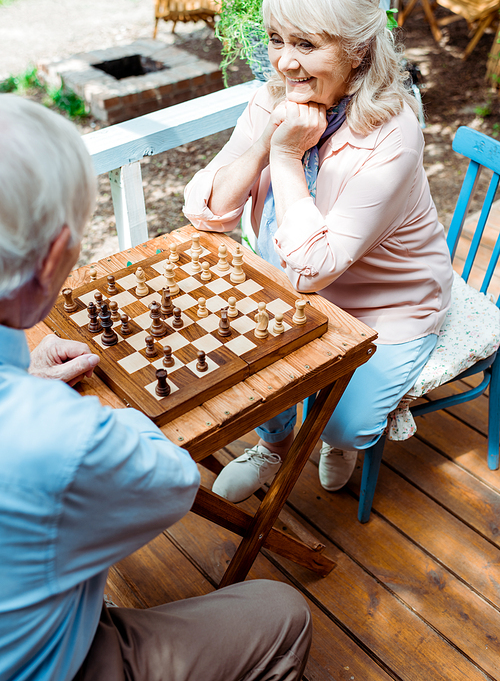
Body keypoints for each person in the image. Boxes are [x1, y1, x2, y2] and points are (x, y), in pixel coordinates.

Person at [0, 94, 312, 681]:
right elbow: (171, 482)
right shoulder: (55, 437)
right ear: (54, 261)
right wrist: (88, 417)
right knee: (282, 612)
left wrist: (22, 379)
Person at [183, 0, 454, 503]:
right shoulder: (274, 97)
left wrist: (284, 162)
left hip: (386, 304)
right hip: (286, 287)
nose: (283, 62)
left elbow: (315, 268)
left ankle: (337, 442)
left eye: (305, 44)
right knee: (248, 376)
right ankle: (275, 444)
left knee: (343, 424)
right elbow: (207, 211)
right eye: (276, 38)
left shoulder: (393, 132)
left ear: (356, 50)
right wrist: (265, 142)